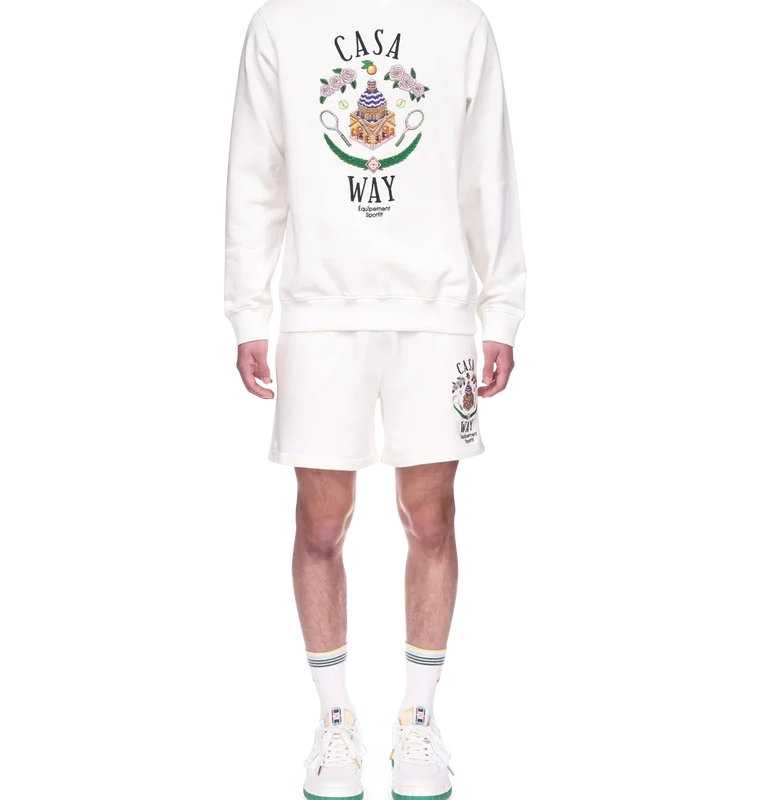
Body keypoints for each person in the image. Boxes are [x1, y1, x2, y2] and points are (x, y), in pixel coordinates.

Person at [224, 1, 526, 797]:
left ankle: (420, 719)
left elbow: (488, 171)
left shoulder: (460, 16)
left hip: (437, 310)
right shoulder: (280, 18)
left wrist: (500, 311)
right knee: (323, 524)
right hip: (317, 311)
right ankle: (332, 722)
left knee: (429, 520)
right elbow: (255, 175)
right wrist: (249, 314)